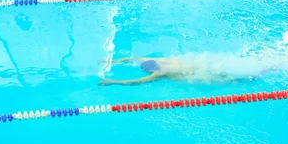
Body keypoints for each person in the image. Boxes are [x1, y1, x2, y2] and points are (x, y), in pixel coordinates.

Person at [99, 54, 278, 86]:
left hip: (198, 75)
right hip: (201, 66)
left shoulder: (158, 73)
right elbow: (135, 57)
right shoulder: (161, 61)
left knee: (228, 78)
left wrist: (111, 81)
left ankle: (257, 72)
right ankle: (260, 66)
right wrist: (112, 61)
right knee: (226, 70)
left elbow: (135, 82)